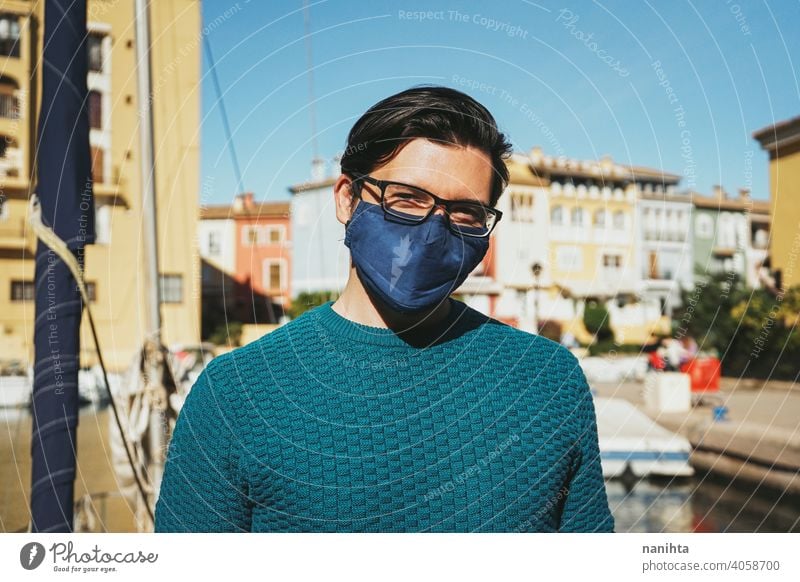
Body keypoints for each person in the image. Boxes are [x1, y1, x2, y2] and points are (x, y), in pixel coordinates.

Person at [154, 85, 614, 533]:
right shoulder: (236, 394)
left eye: (465, 212)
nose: (433, 229)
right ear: (346, 199)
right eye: (407, 197)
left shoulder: (547, 381)